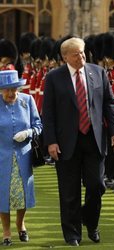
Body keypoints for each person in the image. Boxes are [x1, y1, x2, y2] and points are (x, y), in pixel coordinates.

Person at [42, 37, 114, 246]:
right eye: (76, 54)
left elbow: (109, 105)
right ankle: (72, 234)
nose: (82, 57)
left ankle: (91, 222)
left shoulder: (98, 72)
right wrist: (50, 142)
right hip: (66, 141)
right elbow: (47, 113)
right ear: (65, 56)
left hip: (94, 139)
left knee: (97, 186)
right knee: (69, 191)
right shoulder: (53, 78)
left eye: (83, 52)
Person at [0, 70, 42, 246]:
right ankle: (7, 231)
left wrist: (28, 132)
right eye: (6, 90)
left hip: (23, 156)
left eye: (14, 89)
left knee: (23, 193)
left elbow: (38, 125)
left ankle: (21, 224)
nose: (11, 93)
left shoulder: (27, 101)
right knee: (3, 195)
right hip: (2, 157)